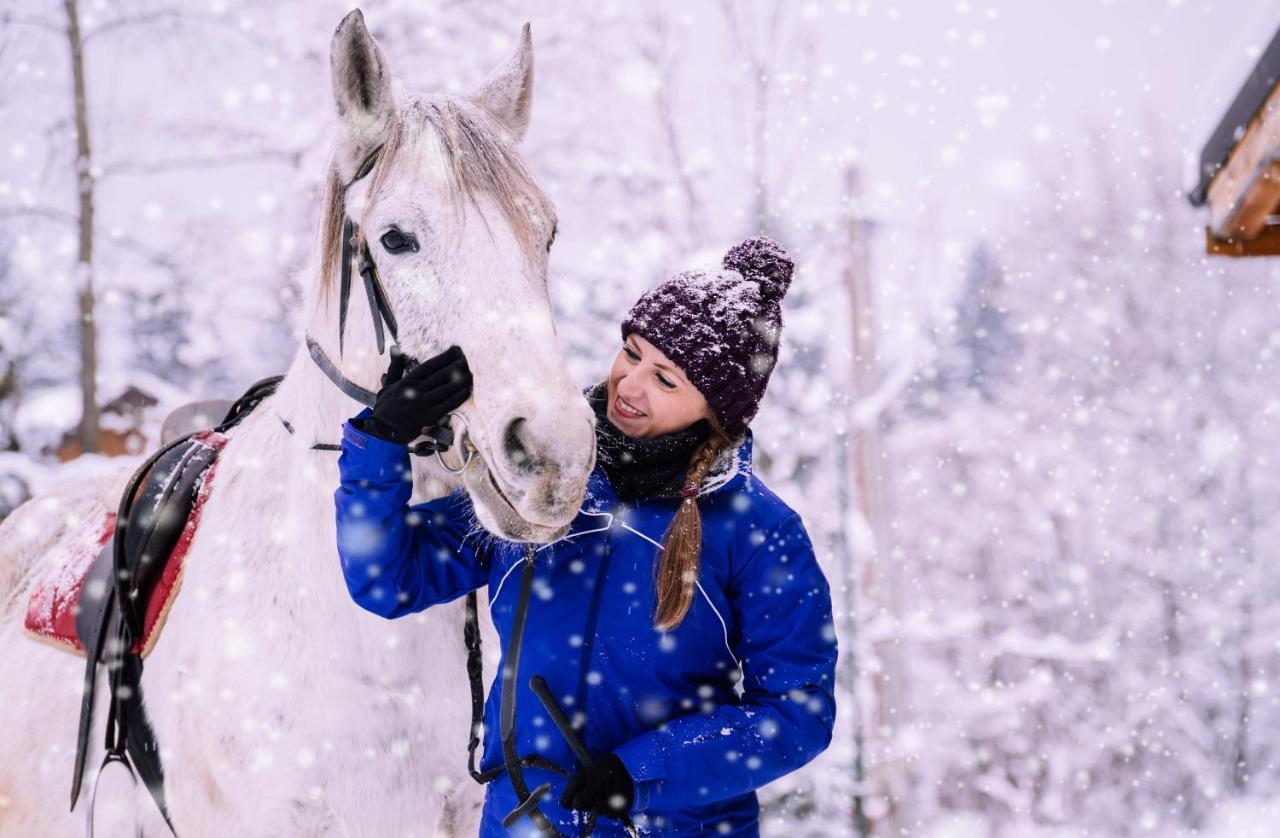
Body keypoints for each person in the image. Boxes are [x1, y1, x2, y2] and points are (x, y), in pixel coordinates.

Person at [334, 236, 838, 836]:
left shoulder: (759, 531)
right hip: (523, 823)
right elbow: (389, 579)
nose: (629, 385)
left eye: (666, 380)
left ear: (716, 411)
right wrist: (381, 440)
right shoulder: (541, 476)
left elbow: (797, 712)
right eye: (632, 353)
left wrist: (641, 773)